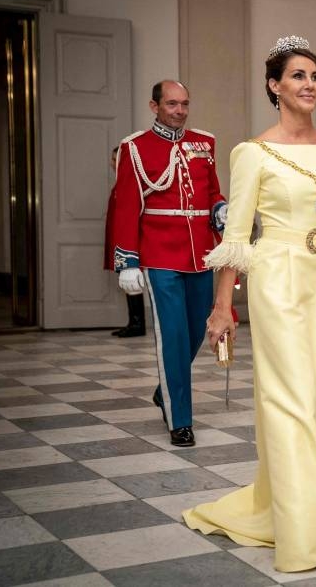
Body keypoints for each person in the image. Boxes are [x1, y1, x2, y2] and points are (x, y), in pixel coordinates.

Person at [183, 36, 316, 573]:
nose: (309, 85)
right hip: (276, 282)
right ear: (274, 86)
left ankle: (275, 506)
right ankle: (306, 532)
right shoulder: (252, 153)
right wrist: (223, 308)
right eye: (297, 76)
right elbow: (236, 237)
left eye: (314, 76)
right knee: (286, 403)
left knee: (313, 404)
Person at [107, 80, 227, 447]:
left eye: (185, 104)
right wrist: (127, 260)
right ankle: (180, 420)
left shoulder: (203, 143)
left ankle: (166, 389)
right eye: (172, 104)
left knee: (195, 332)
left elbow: (212, 192)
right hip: (159, 254)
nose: (180, 111)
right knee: (172, 335)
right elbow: (127, 206)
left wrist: (222, 208)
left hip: (200, 253)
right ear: (154, 105)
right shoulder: (135, 148)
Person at [104, 146, 145, 338]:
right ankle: (133, 322)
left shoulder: (130, 182)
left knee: (133, 281)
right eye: (113, 160)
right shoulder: (119, 182)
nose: (113, 164)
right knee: (126, 280)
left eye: (116, 160)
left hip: (131, 243)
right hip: (118, 239)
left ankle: (138, 324)